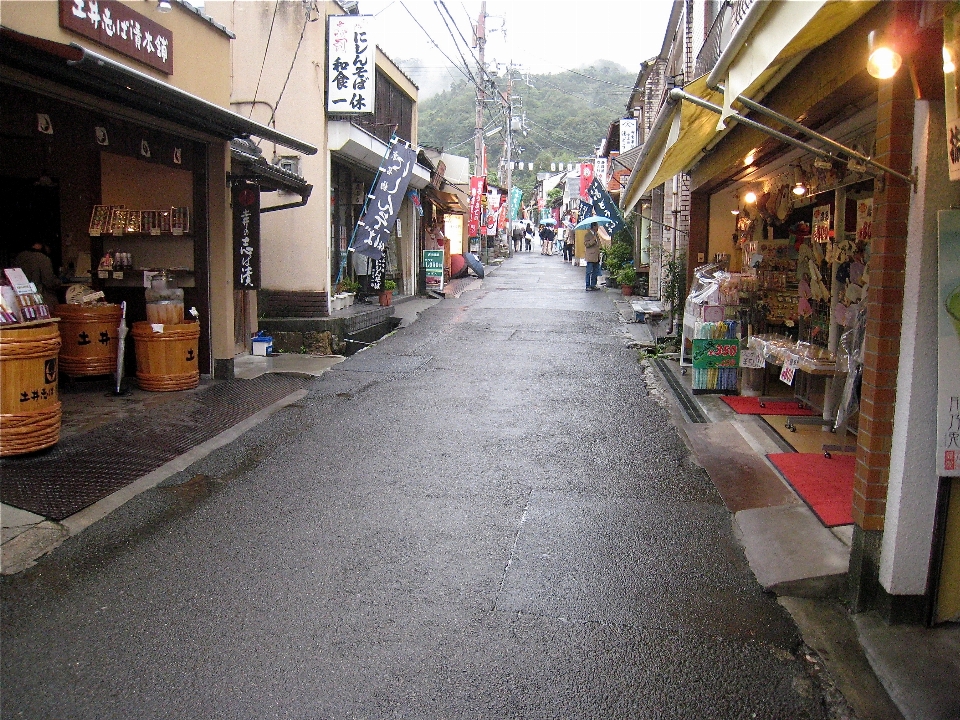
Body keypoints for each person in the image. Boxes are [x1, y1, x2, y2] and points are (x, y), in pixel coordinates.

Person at [14, 241, 59, 306]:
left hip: (24, 299)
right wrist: (59, 282)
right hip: (42, 298)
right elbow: (49, 282)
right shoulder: (42, 258)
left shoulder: (19, 257)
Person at [583, 222, 601, 291]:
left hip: (596, 256)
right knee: (589, 271)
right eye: (597, 226)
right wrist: (593, 240)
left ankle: (593, 285)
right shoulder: (587, 235)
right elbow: (586, 244)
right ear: (593, 226)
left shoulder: (596, 234)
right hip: (590, 256)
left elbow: (598, 244)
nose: (598, 228)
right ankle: (588, 285)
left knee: (595, 271)